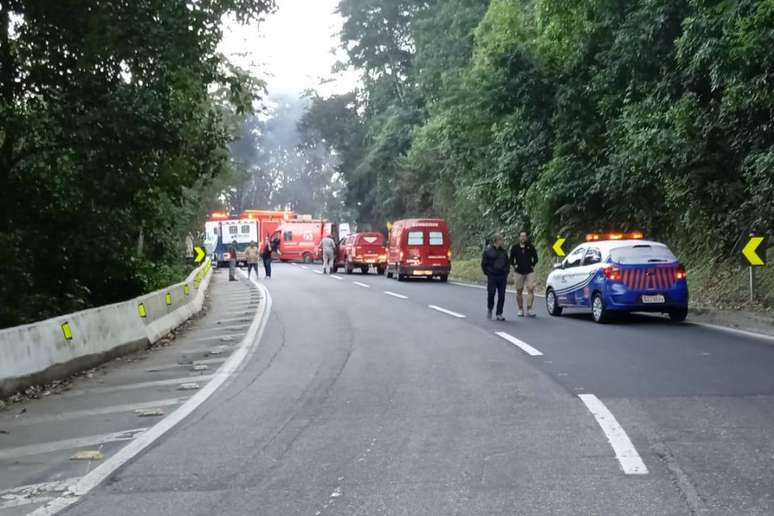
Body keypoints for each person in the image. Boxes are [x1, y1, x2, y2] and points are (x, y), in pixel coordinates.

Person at [509, 230, 539, 317]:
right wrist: (515, 266)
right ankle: (520, 309)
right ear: (519, 237)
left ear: (526, 237)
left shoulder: (530, 246)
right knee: (519, 291)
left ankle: (529, 309)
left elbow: (536, 258)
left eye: (524, 236)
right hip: (518, 272)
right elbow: (511, 259)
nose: (523, 237)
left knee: (530, 289)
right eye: (521, 236)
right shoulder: (515, 248)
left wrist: (533, 265)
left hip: (529, 271)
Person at [482, 235, 510, 321]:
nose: (502, 242)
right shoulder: (488, 251)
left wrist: (506, 272)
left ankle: (499, 313)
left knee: (502, 295)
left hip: (502, 276)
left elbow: (507, 263)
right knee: (491, 293)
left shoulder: (504, 252)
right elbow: (484, 264)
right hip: (492, 276)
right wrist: (488, 273)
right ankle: (490, 308)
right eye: (501, 240)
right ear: (496, 241)